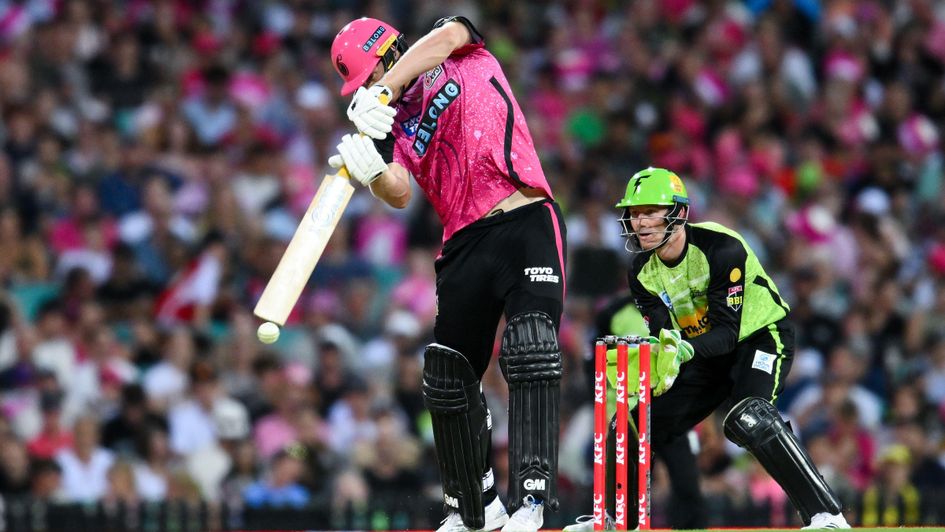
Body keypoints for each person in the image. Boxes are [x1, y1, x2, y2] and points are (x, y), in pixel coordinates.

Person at [329, 15, 567, 532]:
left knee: (529, 346)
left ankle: (531, 501)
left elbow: (446, 38)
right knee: (448, 375)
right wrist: (371, 167)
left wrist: (382, 92)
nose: (368, 90)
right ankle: (474, 508)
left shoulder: (454, 48)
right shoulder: (389, 121)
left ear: (387, 56)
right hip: (462, 242)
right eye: (363, 88)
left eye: (368, 77)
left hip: (523, 216)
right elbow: (398, 191)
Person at [569, 167, 850, 530]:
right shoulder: (640, 271)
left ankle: (827, 515)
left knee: (750, 415)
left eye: (651, 211)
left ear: (680, 213)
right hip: (703, 350)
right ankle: (615, 520)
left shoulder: (722, 248)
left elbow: (728, 334)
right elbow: (664, 331)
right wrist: (659, 354)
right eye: (635, 213)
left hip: (759, 337)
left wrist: (681, 348)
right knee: (636, 422)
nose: (641, 223)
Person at [569, 293, 707, 530]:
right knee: (622, 481)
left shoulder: (678, 309)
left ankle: (690, 528)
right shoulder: (613, 313)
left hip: (671, 411)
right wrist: (602, 408)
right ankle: (609, 523)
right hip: (628, 411)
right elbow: (594, 359)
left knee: (686, 478)